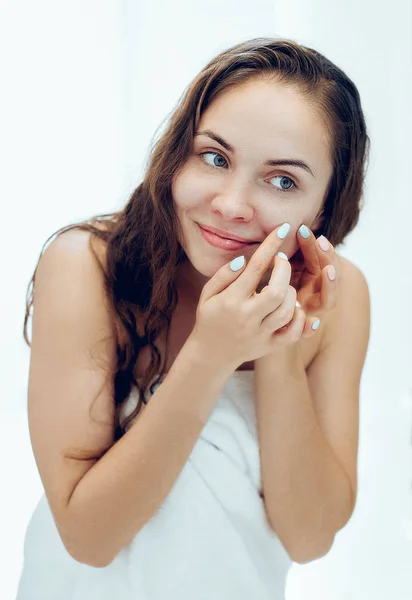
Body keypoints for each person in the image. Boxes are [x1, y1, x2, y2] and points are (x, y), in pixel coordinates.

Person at [17, 37, 371, 599]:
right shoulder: (85, 266)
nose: (231, 204)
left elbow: (308, 537)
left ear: (323, 207)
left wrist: (277, 342)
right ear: (178, 152)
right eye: (215, 157)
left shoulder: (338, 295)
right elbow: (89, 539)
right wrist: (212, 353)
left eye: (283, 181)